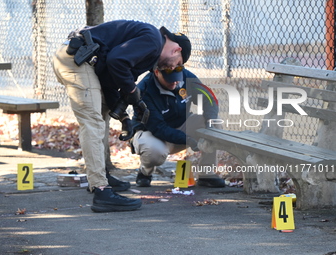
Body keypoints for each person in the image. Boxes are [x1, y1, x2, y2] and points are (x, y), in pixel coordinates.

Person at [52, 20, 191, 212]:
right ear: (177, 50)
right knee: (93, 122)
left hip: (85, 62)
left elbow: (111, 76)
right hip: (78, 61)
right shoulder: (153, 40)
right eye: (178, 64)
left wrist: (124, 116)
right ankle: (101, 190)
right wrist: (132, 90)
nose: (173, 68)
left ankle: (101, 177)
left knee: (102, 117)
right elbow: (117, 61)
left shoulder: (149, 50)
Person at [131, 28, 225, 188]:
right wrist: (188, 140)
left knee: (214, 123)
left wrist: (209, 124)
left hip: (180, 126)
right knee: (155, 152)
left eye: (176, 77)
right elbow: (158, 127)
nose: (174, 82)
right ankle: (145, 171)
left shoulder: (186, 75)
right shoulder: (144, 90)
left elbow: (209, 99)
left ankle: (206, 174)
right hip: (153, 134)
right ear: (156, 71)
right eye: (169, 78)